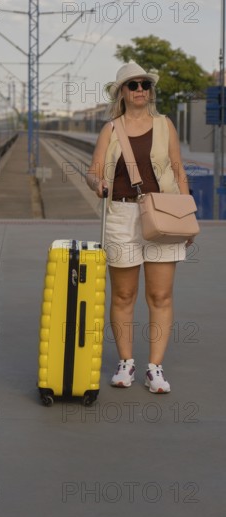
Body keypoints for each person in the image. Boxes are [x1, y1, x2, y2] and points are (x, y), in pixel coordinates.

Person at [86, 60, 192, 393]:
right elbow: (93, 170)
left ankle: (154, 369)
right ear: (122, 92)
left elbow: (178, 171)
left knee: (160, 295)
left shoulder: (165, 126)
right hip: (121, 215)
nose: (141, 90)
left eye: (145, 84)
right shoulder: (111, 130)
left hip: (162, 214)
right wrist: (97, 184)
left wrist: (186, 217)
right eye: (133, 85)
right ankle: (126, 363)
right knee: (123, 294)